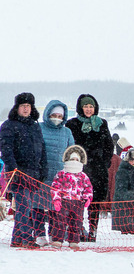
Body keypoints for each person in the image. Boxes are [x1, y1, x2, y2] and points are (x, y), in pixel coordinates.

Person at [0, 93, 49, 247]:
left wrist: (43, 169)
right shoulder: (9, 125)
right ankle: (27, 239)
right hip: (17, 173)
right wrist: (13, 167)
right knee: (23, 207)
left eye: (28, 106)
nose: (26, 109)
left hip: (34, 173)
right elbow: (6, 149)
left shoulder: (35, 125)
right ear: (17, 107)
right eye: (23, 106)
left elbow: (42, 148)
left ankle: (16, 239)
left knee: (25, 206)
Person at [64, 94, 114, 241]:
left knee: (95, 202)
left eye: (91, 106)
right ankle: (77, 229)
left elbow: (109, 146)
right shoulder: (72, 124)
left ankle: (93, 231)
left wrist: (104, 162)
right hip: (78, 169)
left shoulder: (102, 123)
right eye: (85, 106)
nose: (88, 109)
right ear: (80, 107)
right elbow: (69, 146)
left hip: (98, 170)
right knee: (76, 201)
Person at [38, 100, 75, 244]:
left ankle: (55, 235)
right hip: (41, 174)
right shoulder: (39, 128)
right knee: (38, 206)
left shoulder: (67, 132)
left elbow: (71, 151)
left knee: (57, 208)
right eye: (54, 115)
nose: (57, 118)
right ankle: (39, 234)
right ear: (48, 114)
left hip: (59, 177)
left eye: (60, 116)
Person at [49, 145, 94, 248]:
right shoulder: (62, 174)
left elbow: (88, 188)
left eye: (76, 159)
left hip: (78, 203)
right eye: (72, 159)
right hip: (64, 201)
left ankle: (74, 241)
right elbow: (55, 187)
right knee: (60, 221)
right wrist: (56, 199)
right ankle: (57, 240)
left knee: (76, 222)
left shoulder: (83, 176)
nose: (74, 161)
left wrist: (87, 198)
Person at [111, 147, 134, 235]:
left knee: (132, 235)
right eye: (132, 160)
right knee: (126, 236)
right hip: (124, 208)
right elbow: (120, 190)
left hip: (132, 207)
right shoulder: (122, 172)